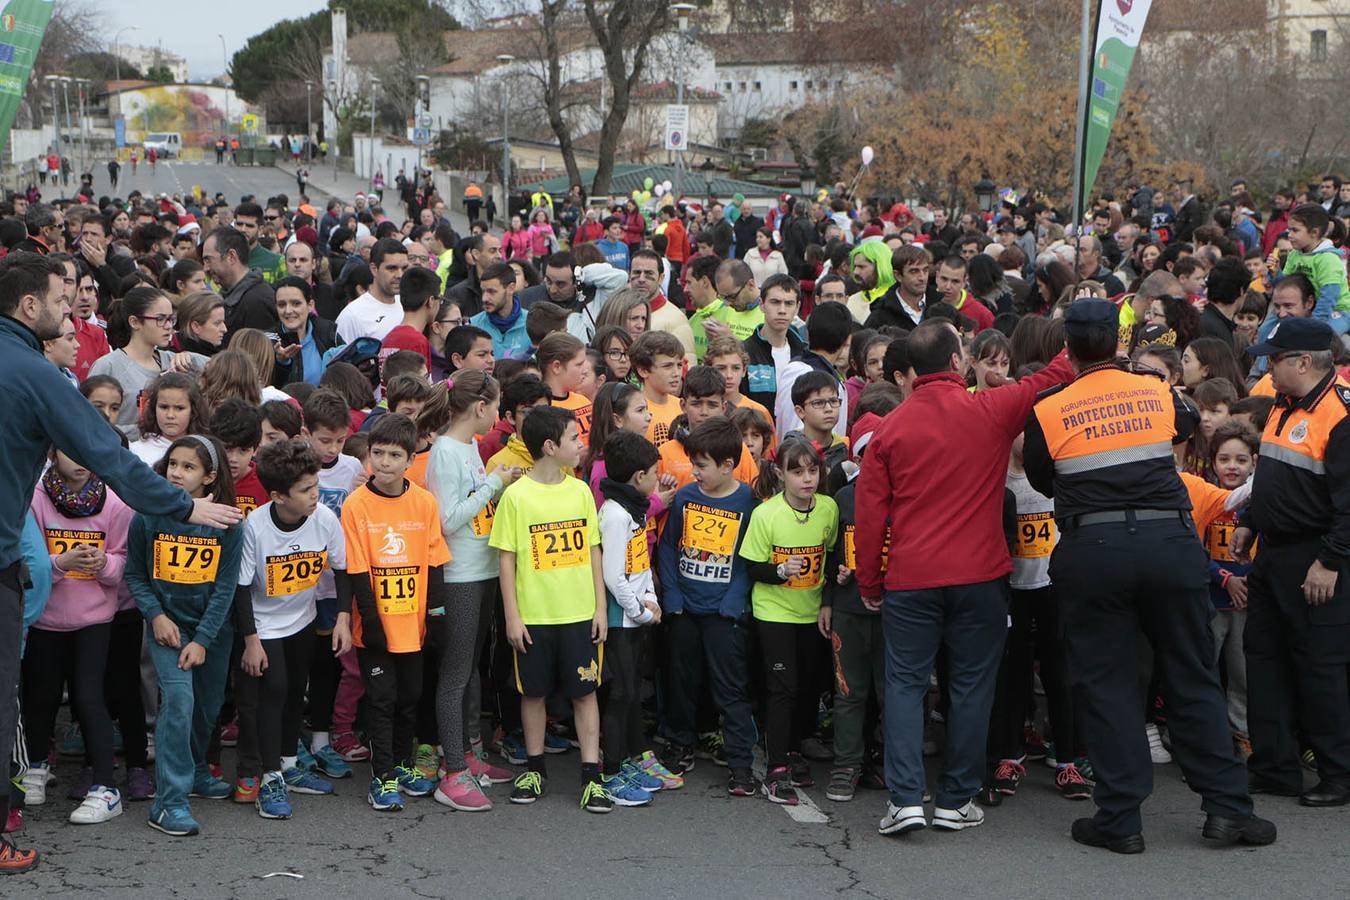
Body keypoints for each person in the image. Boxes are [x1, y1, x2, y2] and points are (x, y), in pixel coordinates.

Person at [1022, 299, 1274, 852]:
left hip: (1093, 550)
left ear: (1068, 350)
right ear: (1117, 341)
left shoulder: (1048, 407)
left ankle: (1119, 819)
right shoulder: (1155, 390)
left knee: (1108, 685)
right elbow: (1188, 430)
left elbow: (1043, 480)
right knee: (1192, 675)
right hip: (1168, 543)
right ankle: (1228, 810)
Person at [855, 318, 1072, 837]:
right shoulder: (990, 410)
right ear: (958, 362)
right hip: (981, 576)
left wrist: (869, 583)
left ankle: (906, 799)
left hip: (911, 577)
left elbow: (869, 517)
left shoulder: (890, 429)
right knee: (973, 685)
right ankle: (956, 798)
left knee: (906, 684)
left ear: (910, 372)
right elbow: (1056, 373)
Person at [1233, 316, 1350, 807]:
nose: (1268, 368)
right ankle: (1275, 767)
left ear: (1304, 362)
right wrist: (1251, 522)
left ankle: (1338, 773)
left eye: (1275, 360)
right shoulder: (1283, 404)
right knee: (1264, 659)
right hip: (1274, 553)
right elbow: (1273, 478)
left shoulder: (1340, 417)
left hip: (1315, 557)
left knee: (1319, 668)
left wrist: (1330, 561)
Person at [488, 406, 611, 812]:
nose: (582, 445)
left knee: (585, 692)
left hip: (578, 613)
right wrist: (512, 615)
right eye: (575, 438)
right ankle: (535, 768)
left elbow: (594, 549)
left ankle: (591, 776)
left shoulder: (579, 491)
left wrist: (600, 608)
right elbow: (507, 558)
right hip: (535, 616)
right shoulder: (517, 497)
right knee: (533, 693)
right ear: (549, 446)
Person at [126, 435, 244, 837]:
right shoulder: (147, 516)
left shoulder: (228, 522)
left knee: (206, 708)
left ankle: (195, 771)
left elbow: (226, 587)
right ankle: (168, 801)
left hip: (210, 632)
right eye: (173, 463)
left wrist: (204, 639)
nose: (177, 472)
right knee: (178, 701)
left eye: (189, 467)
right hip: (168, 630)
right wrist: (156, 616)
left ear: (209, 477)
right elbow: (136, 576)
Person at [234, 439, 350, 820]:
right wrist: (251, 641)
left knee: (294, 691)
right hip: (264, 623)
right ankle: (268, 776)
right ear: (278, 496)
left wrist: (344, 619)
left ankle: (287, 763)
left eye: (316, 486)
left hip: (303, 618)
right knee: (274, 690)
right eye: (305, 490)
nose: (315, 495)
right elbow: (240, 587)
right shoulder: (255, 526)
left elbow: (343, 569)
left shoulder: (324, 519)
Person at [341, 414, 451, 811]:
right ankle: (383, 775)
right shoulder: (356, 505)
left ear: (410, 460)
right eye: (378, 454)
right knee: (382, 699)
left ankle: (404, 763)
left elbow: (434, 560)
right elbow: (355, 569)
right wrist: (370, 622)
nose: (384, 463)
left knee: (410, 697)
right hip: (375, 626)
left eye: (394, 455)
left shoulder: (423, 501)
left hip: (414, 623)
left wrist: (436, 615)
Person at [23, 446, 134, 825]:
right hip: (44, 617)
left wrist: (104, 564)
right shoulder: (35, 496)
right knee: (41, 696)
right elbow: (28, 560)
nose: (80, 459)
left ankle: (105, 786)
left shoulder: (116, 502)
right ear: (53, 454)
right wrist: (59, 563)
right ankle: (35, 765)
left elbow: (123, 561)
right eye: (69, 451)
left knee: (89, 697)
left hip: (94, 619)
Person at [425, 370, 519, 811]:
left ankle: (467, 755)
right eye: (496, 406)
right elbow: (447, 518)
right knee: (455, 674)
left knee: (472, 669)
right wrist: (495, 484)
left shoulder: (469, 448)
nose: (499, 416)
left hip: (481, 569)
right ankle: (452, 773)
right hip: (459, 574)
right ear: (480, 408)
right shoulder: (445, 451)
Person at [740, 436, 839, 804]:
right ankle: (775, 768)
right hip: (774, 614)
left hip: (811, 611)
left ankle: (794, 750)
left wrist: (828, 601)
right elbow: (751, 566)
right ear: (780, 474)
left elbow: (830, 557)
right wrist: (779, 569)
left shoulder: (828, 509)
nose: (806, 479)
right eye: (796, 472)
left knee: (809, 687)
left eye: (812, 470)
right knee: (783, 688)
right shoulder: (766, 514)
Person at [596, 430, 668, 805]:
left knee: (631, 692)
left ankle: (623, 760)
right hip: (621, 620)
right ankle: (609, 772)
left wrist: (651, 600)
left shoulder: (634, 509)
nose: (658, 479)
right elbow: (613, 576)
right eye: (654, 473)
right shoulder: (614, 513)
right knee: (620, 694)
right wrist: (639, 611)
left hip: (638, 616)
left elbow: (640, 567)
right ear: (639, 477)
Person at [201, 227, 280, 340]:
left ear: (231, 257)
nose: (205, 268)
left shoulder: (257, 302)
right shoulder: (231, 297)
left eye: (208, 260)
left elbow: (259, 354)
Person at [336, 238, 409, 343]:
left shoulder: (408, 305)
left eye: (404, 268)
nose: (400, 275)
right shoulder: (352, 316)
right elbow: (341, 357)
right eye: (392, 268)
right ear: (374, 269)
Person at [471, 261, 530, 360]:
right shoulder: (473, 325)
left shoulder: (532, 323)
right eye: (483, 291)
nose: (484, 298)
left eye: (491, 291)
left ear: (511, 288)